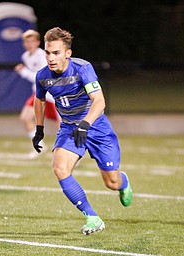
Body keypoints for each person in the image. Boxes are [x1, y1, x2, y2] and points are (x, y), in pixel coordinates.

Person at [32, 27, 133, 235]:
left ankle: (123, 182)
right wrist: (39, 128)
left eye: (56, 53)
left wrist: (85, 124)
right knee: (60, 168)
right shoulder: (42, 76)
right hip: (70, 128)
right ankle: (92, 217)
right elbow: (39, 100)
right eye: (47, 53)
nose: (51, 58)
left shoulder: (82, 68)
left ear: (68, 53)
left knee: (111, 182)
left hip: (96, 128)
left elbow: (99, 101)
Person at [15, 30, 60, 158]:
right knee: (25, 117)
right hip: (38, 93)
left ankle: (69, 151)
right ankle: (39, 146)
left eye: (32, 41)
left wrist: (23, 71)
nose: (29, 44)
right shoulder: (25, 56)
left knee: (61, 124)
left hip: (51, 93)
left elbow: (40, 77)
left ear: (38, 43)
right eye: (27, 42)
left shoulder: (43, 55)